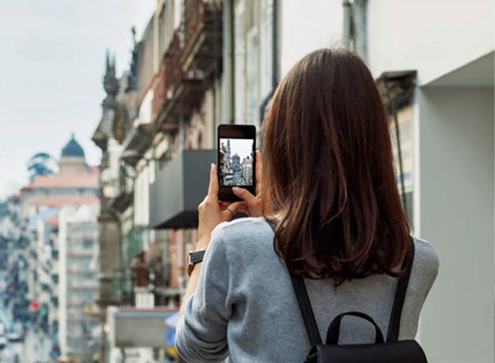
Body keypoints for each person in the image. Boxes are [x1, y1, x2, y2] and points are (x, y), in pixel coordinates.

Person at [175, 49, 439, 362]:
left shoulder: (235, 245)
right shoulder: (417, 259)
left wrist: (207, 243)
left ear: (285, 144)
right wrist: (267, 226)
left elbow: (195, 349)